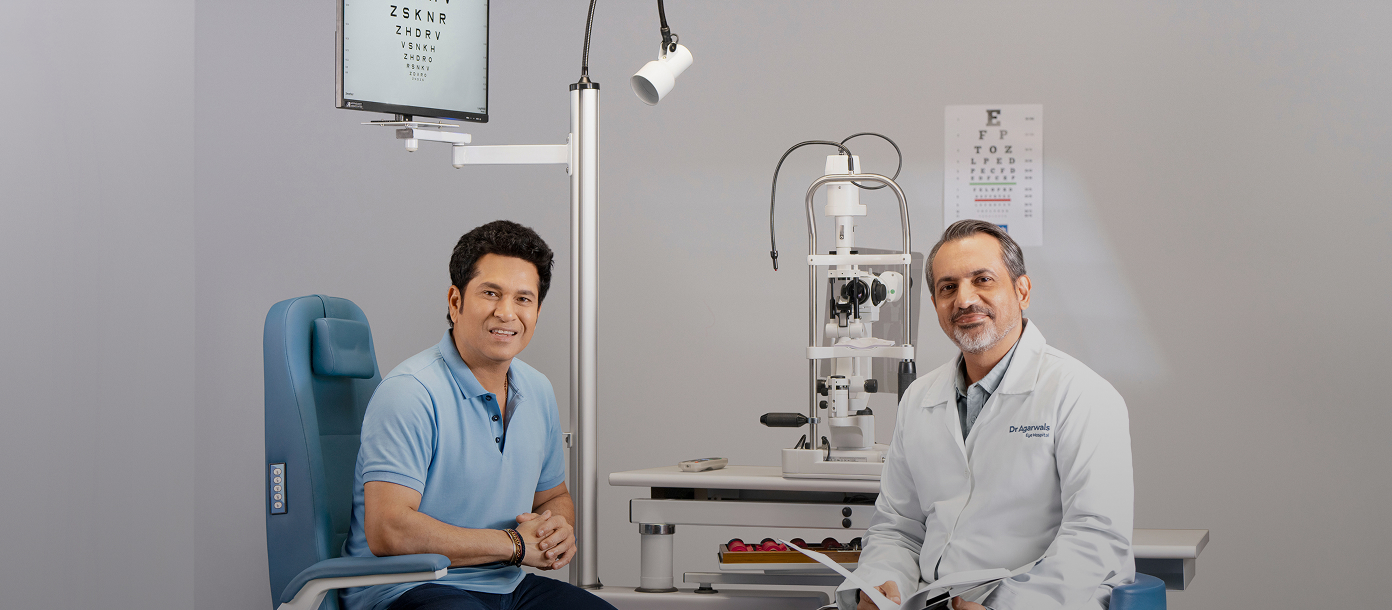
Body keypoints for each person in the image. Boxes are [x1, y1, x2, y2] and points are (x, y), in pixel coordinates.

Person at [839, 220, 1135, 610]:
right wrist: (882, 588)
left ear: (1022, 291)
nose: (964, 300)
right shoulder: (919, 399)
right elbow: (898, 528)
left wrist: (1005, 608)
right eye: (948, 287)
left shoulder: (1082, 394)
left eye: (982, 280)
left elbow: (1096, 538)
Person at [340, 221, 615, 610]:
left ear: (537, 311)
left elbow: (553, 495)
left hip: (505, 585)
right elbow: (389, 529)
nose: (507, 313)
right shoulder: (410, 392)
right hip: (405, 588)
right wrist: (514, 543)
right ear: (455, 302)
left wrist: (556, 528)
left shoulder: (538, 390)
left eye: (523, 299)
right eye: (491, 293)